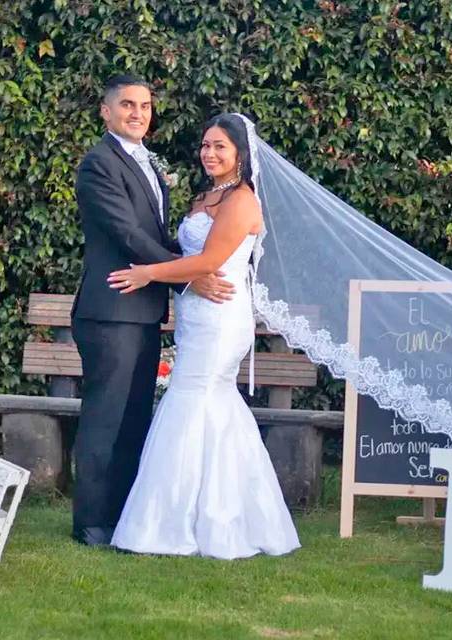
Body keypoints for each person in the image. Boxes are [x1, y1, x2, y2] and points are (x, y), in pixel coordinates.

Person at [107, 113, 300, 559]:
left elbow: (210, 259)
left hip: (220, 317)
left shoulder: (241, 201)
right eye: (205, 145)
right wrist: (185, 278)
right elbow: (192, 261)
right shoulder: (206, 197)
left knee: (192, 398)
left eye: (220, 147)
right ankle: (228, 514)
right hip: (196, 313)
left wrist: (147, 274)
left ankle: (172, 524)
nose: (209, 154)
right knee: (211, 404)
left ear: (240, 154)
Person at [70, 76, 233, 547]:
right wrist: (187, 274)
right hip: (112, 311)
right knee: (106, 418)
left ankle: (123, 514)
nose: (138, 113)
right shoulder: (99, 164)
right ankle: (92, 523)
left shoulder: (146, 162)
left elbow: (157, 238)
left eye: (144, 105)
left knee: (134, 417)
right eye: (127, 105)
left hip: (143, 311)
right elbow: (128, 235)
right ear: (106, 112)